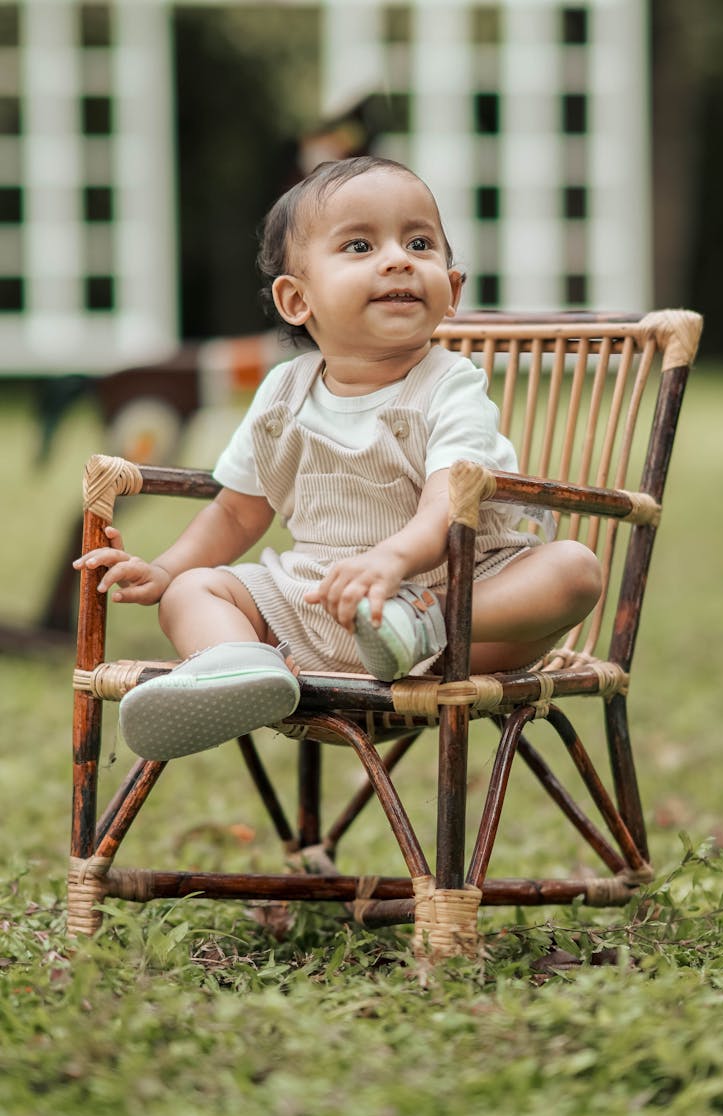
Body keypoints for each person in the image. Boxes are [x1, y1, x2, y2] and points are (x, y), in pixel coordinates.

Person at [73, 156, 602, 762]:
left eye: (420, 242)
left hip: (459, 613)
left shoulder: (450, 385)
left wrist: (394, 565)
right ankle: (241, 667)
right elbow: (237, 515)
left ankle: (416, 622)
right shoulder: (280, 394)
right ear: (297, 300)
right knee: (193, 591)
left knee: (574, 570)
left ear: (452, 290)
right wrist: (165, 571)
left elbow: (444, 503)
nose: (398, 258)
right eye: (359, 244)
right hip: (317, 607)